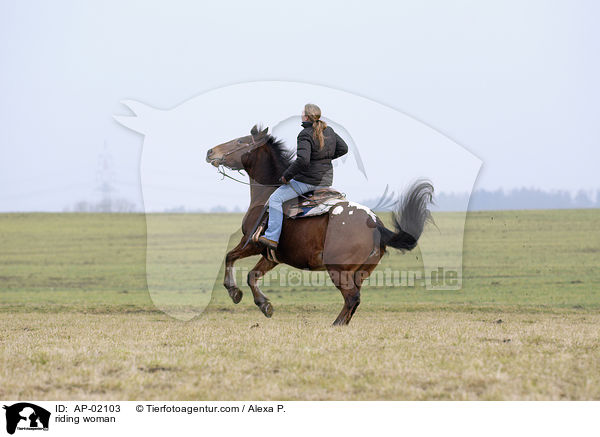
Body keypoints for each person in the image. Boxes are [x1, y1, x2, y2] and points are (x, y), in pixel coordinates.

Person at [258, 103, 348, 249]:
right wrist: (326, 159)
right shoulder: (329, 130)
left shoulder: (305, 134)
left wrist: (286, 176)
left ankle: (271, 237)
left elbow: (303, 161)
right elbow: (344, 148)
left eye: (302, 113)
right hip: (326, 181)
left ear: (306, 116)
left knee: (275, 199)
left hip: (308, 181)